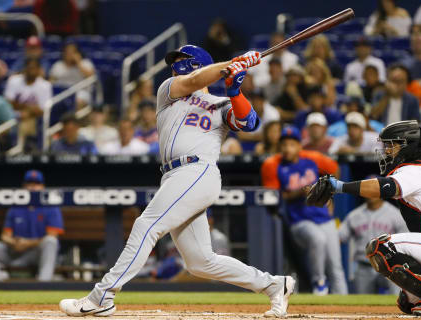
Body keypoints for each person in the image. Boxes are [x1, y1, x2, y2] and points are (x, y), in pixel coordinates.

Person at [59, 45, 295, 317]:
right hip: (174, 175)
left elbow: (249, 122)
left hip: (198, 171)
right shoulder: (169, 91)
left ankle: (102, 296)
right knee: (200, 262)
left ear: (199, 62)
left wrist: (234, 90)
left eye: (183, 60)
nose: (175, 64)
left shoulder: (221, 104)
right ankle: (275, 285)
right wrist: (233, 62)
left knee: (146, 226)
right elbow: (194, 81)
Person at [322, 120, 421, 315]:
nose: (387, 151)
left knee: (382, 247)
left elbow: (385, 187)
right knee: (408, 300)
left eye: (392, 145)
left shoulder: (414, 170)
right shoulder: (420, 169)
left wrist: (340, 187)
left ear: (409, 146)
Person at [261, 126, 347, 295]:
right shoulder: (276, 166)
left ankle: (345, 306)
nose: (287, 148)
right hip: (300, 221)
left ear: (299, 146)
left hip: (324, 218)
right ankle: (319, 281)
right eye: (284, 145)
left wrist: (327, 192)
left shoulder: (311, 161)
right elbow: (275, 197)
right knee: (318, 239)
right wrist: (299, 192)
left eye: (291, 144)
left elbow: (335, 169)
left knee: (336, 266)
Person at [0, 170, 63, 281]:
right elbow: (5, 236)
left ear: (42, 186)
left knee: (51, 242)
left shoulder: (51, 207)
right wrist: (14, 242)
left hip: (35, 254)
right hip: (15, 251)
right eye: (29, 183)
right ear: (24, 186)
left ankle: (44, 283)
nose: (32, 187)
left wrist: (27, 243)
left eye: (36, 184)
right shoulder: (16, 207)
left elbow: (52, 235)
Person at [339, 175, 408, 294]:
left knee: (395, 300)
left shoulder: (395, 214)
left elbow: (406, 240)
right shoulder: (354, 215)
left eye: (374, 188)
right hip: (363, 266)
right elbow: (339, 238)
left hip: (389, 264)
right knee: (362, 305)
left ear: (381, 191)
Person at [4, 58, 53, 150]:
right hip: (11, 115)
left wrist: (24, 109)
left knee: (22, 127)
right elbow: (7, 102)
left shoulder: (45, 85)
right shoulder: (14, 80)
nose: (31, 71)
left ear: (39, 70)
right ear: (25, 68)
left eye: (34, 68)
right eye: (29, 68)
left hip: (33, 119)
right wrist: (28, 108)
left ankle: (18, 155)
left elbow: (42, 111)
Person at [49, 43, 95, 107]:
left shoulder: (86, 63)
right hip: (61, 93)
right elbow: (51, 82)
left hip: (80, 92)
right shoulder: (58, 65)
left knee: (77, 102)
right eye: (68, 53)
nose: (70, 55)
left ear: (78, 53)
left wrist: (78, 63)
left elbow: (91, 77)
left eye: (72, 53)